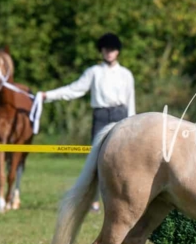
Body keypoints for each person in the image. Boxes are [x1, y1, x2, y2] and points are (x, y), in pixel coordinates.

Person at [42, 33, 135, 211]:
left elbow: (131, 102)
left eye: (112, 49)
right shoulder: (94, 72)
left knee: (125, 159)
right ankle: (93, 199)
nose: (109, 53)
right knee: (97, 159)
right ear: (101, 51)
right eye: (106, 49)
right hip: (100, 116)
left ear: (117, 52)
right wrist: (48, 96)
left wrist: (133, 124)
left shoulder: (126, 74)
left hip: (121, 115)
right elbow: (74, 90)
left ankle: (123, 198)